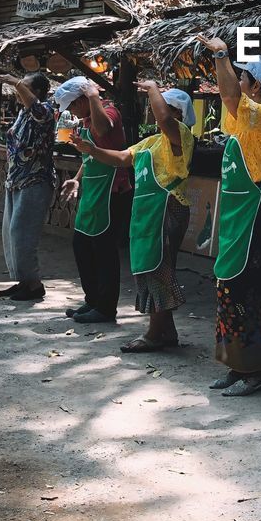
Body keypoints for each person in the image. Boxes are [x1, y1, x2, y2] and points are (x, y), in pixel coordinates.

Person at [71, 82, 194, 350]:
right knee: (150, 268)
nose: (153, 110)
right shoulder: (151, 141)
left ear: (178, 113)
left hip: (167, 207)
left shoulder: (181, 134)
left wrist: (152, 89)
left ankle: (153, 334)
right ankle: (167, 332)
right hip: (148, 211)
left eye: (162, 104)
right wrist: (90, 149)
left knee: (157, 268)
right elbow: (121, 158)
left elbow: (163, 119)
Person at [194, 36, 261, 398]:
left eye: (243, 77)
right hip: (238, 214)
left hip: (257, 213)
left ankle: (256, 369)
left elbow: (230, 97)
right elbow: (229, 97)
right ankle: (237, 364)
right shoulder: (238, 122)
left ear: (257, 85)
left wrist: (220, 54)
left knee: (251, 289)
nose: (237, 83)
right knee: (229, 287)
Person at [56, 76, 132, 324]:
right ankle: (92, 301)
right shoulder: (84, 121)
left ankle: (106, 308)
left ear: (82, 99)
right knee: (82, 246)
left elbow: (103, 130)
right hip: (91, 192)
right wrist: (77, 178)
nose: (71, 112)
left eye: (73, 106)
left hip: (112, 192)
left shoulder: (108, 111)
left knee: (104, 252)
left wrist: (93, 96)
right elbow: (88, 157)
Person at [0, 72, 56, 302]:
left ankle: (34, 284)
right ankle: (23, 281)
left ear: (36, 92)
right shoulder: (22, 113)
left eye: (23, 88)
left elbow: (37, 111)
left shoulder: (45, 111)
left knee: (23, 234)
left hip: (35, 180)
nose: (17, 92)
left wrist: (14, 81)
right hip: (16, 179)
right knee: (11, 233)